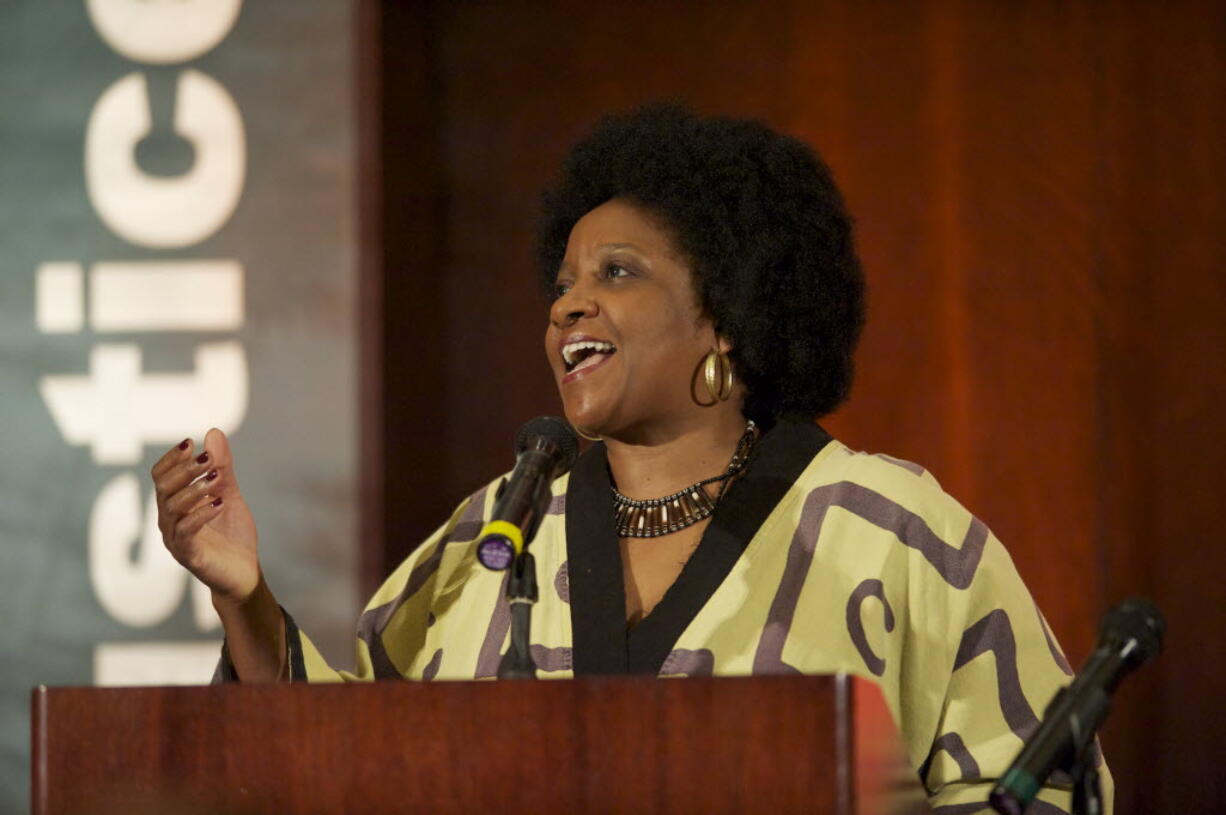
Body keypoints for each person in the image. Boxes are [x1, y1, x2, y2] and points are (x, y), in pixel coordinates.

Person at [153, 104, 1107, 812]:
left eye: (618, 273)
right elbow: (343, 764)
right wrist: (245, 594)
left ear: (727, 318)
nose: (568, 304)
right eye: (562, 280)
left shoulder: (892, 531)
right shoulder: (500, 529)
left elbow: (1039, 785)